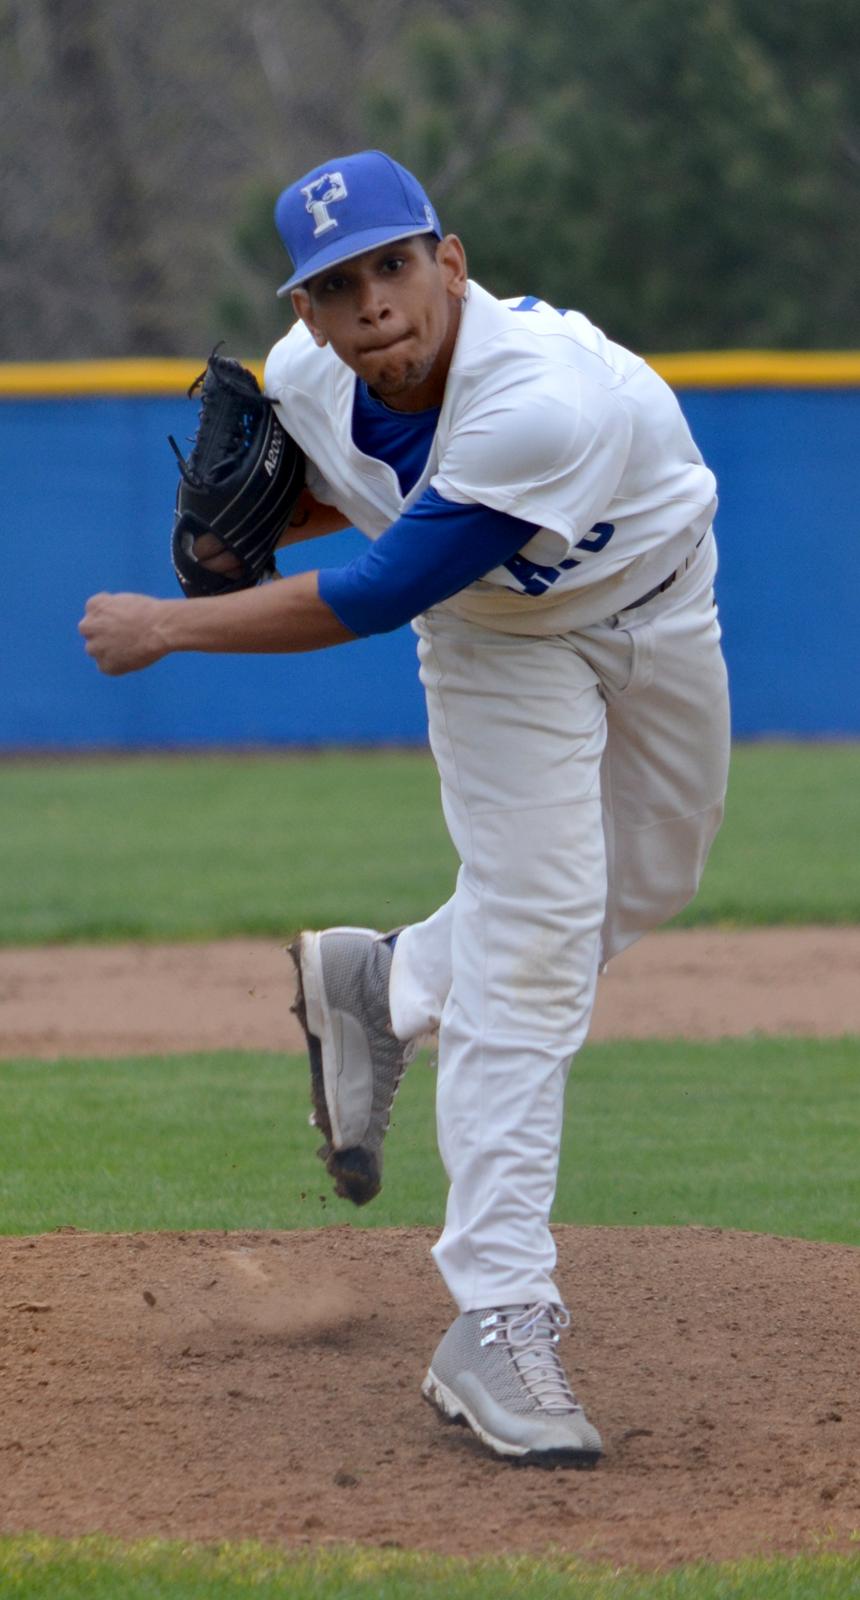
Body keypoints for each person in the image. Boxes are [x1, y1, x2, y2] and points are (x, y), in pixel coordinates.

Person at [80, 149, 730, 1469]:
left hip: (661, 602)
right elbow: (349, 509)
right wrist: (243, 532)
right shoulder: (313, 380)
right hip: (498, 646)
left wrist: (175, 619)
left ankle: (388, 983)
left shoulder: (539, 399)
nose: (371, 302)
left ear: (451, 264)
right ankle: (499, 1315)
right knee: (541, 939)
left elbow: (370, 590)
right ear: (307, 314)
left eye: (391, 265)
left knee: (647, 883)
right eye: (335, 285)